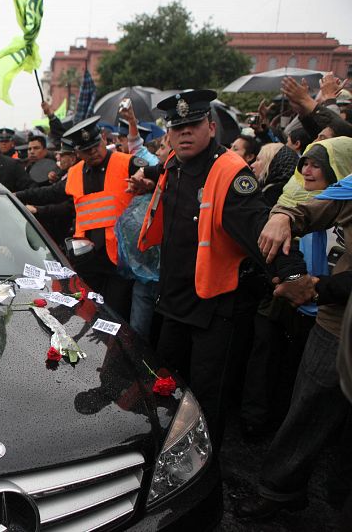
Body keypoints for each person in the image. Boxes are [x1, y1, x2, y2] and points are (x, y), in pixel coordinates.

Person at [131, 89, 311, 451]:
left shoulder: (229, 171)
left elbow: (260, 227)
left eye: (193, 125)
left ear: (210, 128)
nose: (184, 132)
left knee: (206, 398)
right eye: (176, 126)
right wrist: (146, 179)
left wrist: (292, 274)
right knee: (167, 387)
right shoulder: (173, 167)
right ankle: (163, 454)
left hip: (214, 310)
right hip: (175, 303)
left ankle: (202, 468)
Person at [237, 136, 352, 519]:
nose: (307, 170)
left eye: (316, 163)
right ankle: (280, 490)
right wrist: (283, 216)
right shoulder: (347, 192)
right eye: (303, 162)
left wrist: (317, 288)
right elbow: (311, 207)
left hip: (331, 302)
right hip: (336, 324)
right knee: (306, 407)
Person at [17, 115, 147, 319]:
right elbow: (50, 193)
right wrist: (16, 196)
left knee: (115, 316)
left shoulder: (128, 163)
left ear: (103, 139)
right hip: (87, 259)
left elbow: (156, 173)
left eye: (96, 145)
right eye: (86, 150)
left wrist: (145, 175)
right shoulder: (76, 172)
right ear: (77, 152)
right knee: (87, 314)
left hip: (119, 261)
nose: (93, 152)